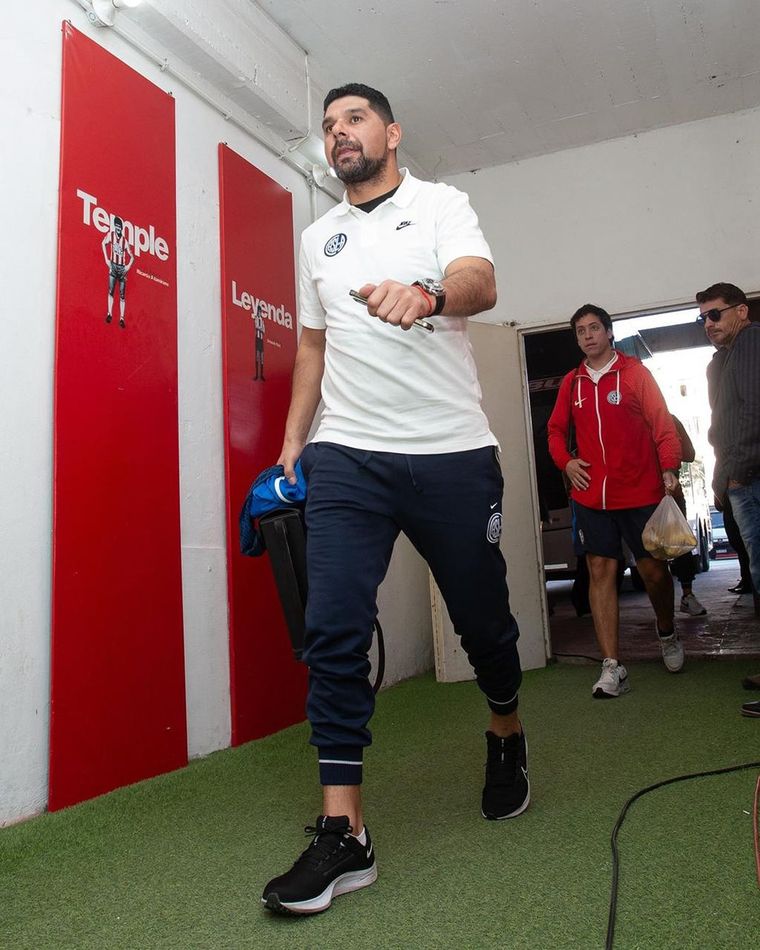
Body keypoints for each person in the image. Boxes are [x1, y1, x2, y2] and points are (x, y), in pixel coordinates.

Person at [261, 83, 528, 915]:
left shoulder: (441, 204)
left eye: (355, 119)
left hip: (451, 453)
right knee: (333, 626)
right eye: (329, 125)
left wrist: (431, 296)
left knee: (484, 623)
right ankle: (345, 833)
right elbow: (312, 346)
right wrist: (294, 441)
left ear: (392, 132)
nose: (339, 132)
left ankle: (506, 728)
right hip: (349, 454)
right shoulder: (318, 239)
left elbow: (480, 281)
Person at [547, 305, 683, 699]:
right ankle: (612, 666)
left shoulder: (635, 374)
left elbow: (662, 425)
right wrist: (567, 462)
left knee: (653, 573)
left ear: (609, 332)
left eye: (594, 328)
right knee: (600, 570)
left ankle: (667, 631)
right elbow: (554, 431)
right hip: (592, 497)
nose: (588, 336)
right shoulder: (571, 383)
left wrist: (669, 467)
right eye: (580, 331)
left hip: (641, 492)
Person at [698, 282, 760, 717]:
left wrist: (737, 470)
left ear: (741, 311)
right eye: (702, 317)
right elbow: (724, 424)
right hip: (741, 479)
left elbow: (755, 411)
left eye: (715, 314)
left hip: (752, 476)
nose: (708, 323)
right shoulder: (723, 359)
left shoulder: (752, 341)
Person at [669, 415, 706, 617]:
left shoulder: (670, 420)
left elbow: (690, 454)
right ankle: (681, 597)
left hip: (669, 493)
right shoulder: (670, 419)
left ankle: (686, 595)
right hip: (649, 494)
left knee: (679, 545)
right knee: (671, 547)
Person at [102, 215, 133, 329]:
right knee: (111, 291)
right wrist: (106, 259)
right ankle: (109, 314)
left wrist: (128, 266)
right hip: (113, 266)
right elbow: (103, 243)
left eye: (119, 227)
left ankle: (121, 318)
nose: (118, 228)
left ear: (122, 228)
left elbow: (132, 256)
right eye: (116, 226)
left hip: (122, 268)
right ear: (114, 226)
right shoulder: (111, 235)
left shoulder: (125, 241)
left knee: (122, 294)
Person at [253, 301, 266, 381]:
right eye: (258, 311)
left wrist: (260, 328)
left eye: (260, 311)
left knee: (262, 356)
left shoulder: (262, 320)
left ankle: (261, 375)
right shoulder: (256, 318)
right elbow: (257, 326)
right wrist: (261, 328)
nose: (259, 313)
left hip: (261, 339)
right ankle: (257, 375)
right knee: (257, 356)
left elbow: (264, 330)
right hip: (257, 338)